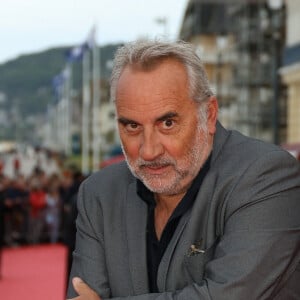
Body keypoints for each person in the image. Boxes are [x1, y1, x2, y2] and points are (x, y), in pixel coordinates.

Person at [67, 40, 300, 300]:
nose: (149, 151)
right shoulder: (99, 194)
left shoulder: (266, 175)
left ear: (209, 115)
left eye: (167, 123)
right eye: (132, 126)